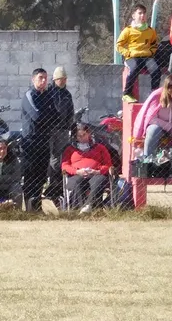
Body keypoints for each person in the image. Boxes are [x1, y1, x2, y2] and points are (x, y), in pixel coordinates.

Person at [21, 68, 55, 212]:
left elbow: (56, 115)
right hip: (31, 141)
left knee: (41, 176)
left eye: (45, 78)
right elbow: (37, 116)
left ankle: (37, 207)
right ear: (33, 79)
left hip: (45, 140)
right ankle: (29, 206)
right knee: (30, 175)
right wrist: (48, 116)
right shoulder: (29, 95)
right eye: (40, 77)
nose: (43, 81)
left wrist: (47, 116)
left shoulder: (47, 95)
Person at [61, 123, 112, 212]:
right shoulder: (70, 149)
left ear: (88, 133)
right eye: (79, 136)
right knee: (76, 183)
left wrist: (97, 171)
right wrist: (77, 172)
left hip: (96, 173)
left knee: (97, 182)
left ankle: (89, 205)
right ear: (75, 137)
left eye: (84, 135)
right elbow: (64, 166)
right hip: (77, 174)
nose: (82, 138)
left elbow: (108, 165)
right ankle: (81, 209)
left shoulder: (100, 147)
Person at [117, 3, 160, 103]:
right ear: (134, 16)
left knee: (156, 70)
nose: (142, 16)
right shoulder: (128, 30)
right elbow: (119, 45)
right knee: (134, 69)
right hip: (132, 57)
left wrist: (150, 52)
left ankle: (153, 94)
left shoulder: (150, 31)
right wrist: (128, 53)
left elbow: (154, 45)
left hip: (146, 57)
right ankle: (127, 94)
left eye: (144, 13)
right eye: (140, 13)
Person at [45, 66, 75, 201]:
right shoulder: (48, 92)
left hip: (62, 130)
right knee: (47, 157)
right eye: (61, 79)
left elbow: (70, 111)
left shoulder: (66, 94)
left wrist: (68, 125)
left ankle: (54, 186)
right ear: (55, 79)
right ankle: (47, 183)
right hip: (49, 129)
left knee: (58, 159)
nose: (63, 81)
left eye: (65, 79)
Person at [131, 75, 172, 157]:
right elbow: (151, 119)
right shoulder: (157, 96)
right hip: (158, 125)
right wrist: (169, 126)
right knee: (153, 130)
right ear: (168, 88)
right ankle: (148, 158)